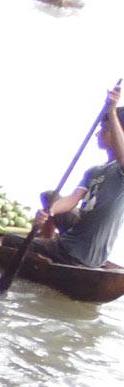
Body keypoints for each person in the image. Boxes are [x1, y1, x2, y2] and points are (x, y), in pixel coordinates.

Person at [23, 85, 124, 269]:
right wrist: (48, 212)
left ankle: (49, 257)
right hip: (75, 233)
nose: (97, 134)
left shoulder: (120, 169)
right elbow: (71, 200)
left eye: (104, 129)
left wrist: (111, 109)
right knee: (50, 196)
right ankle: (49, 246)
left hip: (85, 253)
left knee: (10, 241)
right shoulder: (94, 170)